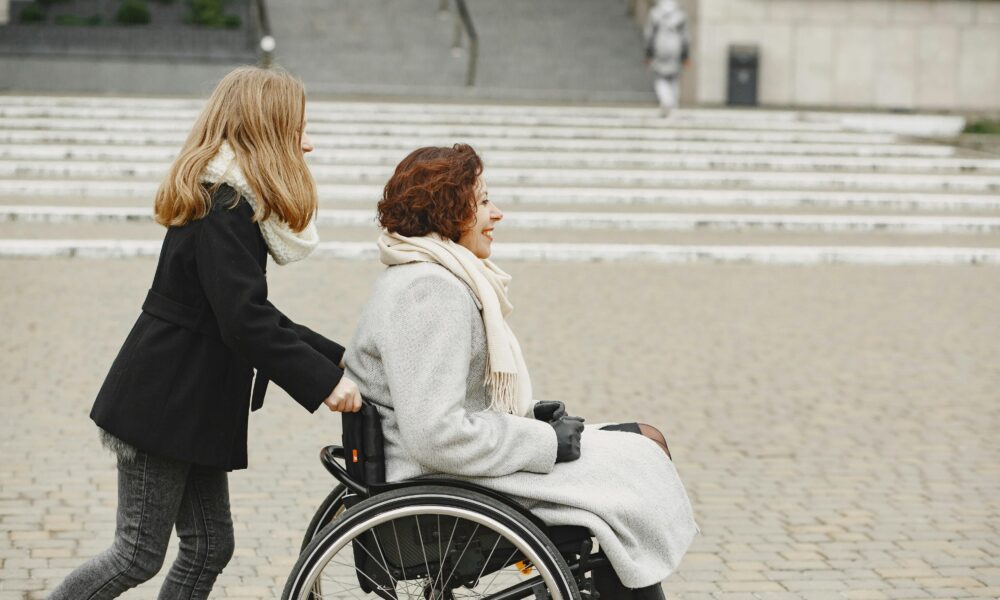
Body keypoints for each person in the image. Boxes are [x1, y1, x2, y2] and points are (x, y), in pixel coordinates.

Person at [50, 66, 362, 600]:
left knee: (209, 546)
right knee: (136, 555)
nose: (308, 144)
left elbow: (244, 311)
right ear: (269, 130)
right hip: (165, 403)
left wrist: (337, 360)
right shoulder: (227, 206)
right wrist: (325, 384)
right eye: (299, 127)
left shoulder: (232, 200)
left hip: (184, 402)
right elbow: (245, 322)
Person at [343, 144, 698, 599]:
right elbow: (436, 435)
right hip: (441, 493)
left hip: (452, 474)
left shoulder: (423, 276)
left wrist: (529, 415)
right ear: (451, 210)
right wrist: (546, 441)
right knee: (641, 452)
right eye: (484, 201)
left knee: (642, 443)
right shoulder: (430, 292)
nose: (497, 213)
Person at [644, 0, 691, 114]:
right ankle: (673, 104)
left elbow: (649, 34)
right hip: (676, 45)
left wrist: (648, 52)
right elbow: (685, 37)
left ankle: (666, 101)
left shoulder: (655, 13)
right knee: (674, 77)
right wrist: (685, 54)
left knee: (660, 76)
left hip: (660, 45)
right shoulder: (680, 14)